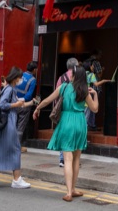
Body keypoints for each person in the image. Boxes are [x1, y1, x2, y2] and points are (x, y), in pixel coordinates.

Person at [33, 65, 98, 201]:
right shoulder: (85, 91)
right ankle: (73, 189)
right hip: (80, 123)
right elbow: (95, 109)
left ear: (73, 76)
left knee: (67, 158)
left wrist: (37, 108)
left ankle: (68, 192)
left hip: (66, 122)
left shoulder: (63, 87)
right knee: (76, 159)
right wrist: (95, 95)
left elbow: (47, 100)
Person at [55, 58, 79, 167]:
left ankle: (62, 159)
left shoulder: (61, 78)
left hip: (64, 110)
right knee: (73, 133)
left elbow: (57, 94)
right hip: (75, 111)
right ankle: (72, 159)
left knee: (64, 133)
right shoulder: (78, 77)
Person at [15, 62, 39, 151]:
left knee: (13, 124)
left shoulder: (20, 75)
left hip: (14, 103)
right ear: (34, 70)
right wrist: (22, 100)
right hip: (24, 105)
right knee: (20, 127)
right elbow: (29, 95)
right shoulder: (32, 80)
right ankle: (17, 147)